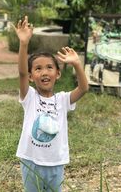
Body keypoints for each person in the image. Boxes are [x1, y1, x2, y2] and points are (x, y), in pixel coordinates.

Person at [13, 16, 89, 192]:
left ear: (58, 74)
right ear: (32, 77)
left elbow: (83, 88)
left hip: (56, 162)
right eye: (38, 69)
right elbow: (22, 73)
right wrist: (24, 43)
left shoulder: (62, 99)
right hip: (31, 160)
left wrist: (77, 64)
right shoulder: (29, 96)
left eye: (49, 67)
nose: (44, 72)